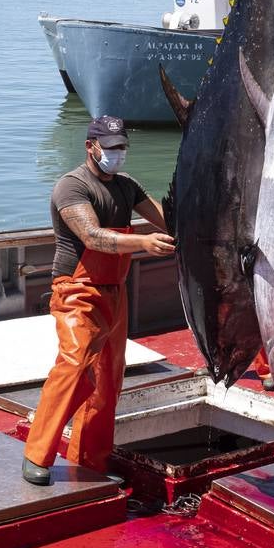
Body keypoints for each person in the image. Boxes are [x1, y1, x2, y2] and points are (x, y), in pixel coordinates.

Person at [22, 115, 175, 484]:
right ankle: (36, 454)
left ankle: (91, 462)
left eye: (122, 146)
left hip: (115, 291)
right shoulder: (71, 187)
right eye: (110, 147)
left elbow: (167, 220)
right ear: (91, 146)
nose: (117, 153)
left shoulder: (127, 187)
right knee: (75, 367)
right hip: (78, 290)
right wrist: (142, 242)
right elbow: (93, 237)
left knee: (109, 380)